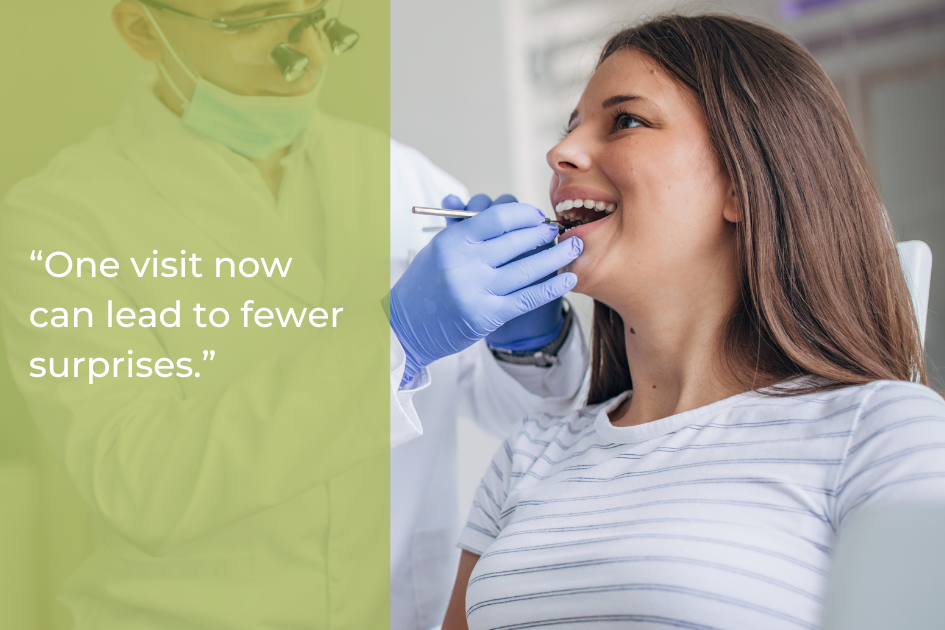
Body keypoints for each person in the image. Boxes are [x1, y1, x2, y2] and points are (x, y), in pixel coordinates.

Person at [0, 1, 588, 628]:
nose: (306, 52)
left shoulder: (400, 178)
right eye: (251, 21)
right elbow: (140, 487)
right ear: (143, 28)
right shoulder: (60, 221)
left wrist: (533, 347)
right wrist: (396, 338)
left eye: (316, 15)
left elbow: (508, 417)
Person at [443, 14, 945, 630]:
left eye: (625, 120)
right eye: (570, 127)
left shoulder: (884, 433)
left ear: (743, 184)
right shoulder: (531, 452)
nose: (561, 152)